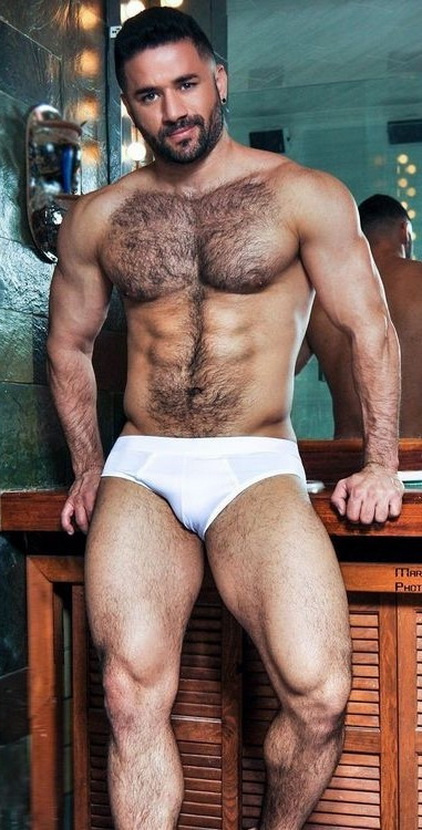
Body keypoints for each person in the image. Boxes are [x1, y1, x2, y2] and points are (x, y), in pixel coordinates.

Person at [46, 8, 404, 829]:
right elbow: (68, 345)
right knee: (128, 693)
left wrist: (380, 461)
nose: (173, 110)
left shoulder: (303, 194)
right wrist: (89, 465)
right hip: (145, 465)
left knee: (320, 694)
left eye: (186, 85)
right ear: (128, 106)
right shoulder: (101, 217)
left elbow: (370, 327)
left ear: (219, 81)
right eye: (148, 96)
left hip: (256, 465)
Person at [300, 193, 422, 438]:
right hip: (417, 453)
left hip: (347, 458)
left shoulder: (321, 297)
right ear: (404, 232)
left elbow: (281, 371)